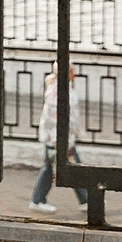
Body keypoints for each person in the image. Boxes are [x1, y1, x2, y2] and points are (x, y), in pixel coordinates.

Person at [29, 68, 86, 213]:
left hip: (63, 138)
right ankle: (38, 200)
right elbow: (53, 117)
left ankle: (38, 199)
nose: (75, 74)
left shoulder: (64, 87)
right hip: (58, 139)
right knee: (72, 166)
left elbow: (71, 114)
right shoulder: (57, 91)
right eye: (72, 70)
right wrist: (57, 140)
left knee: (52, 167)